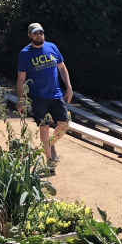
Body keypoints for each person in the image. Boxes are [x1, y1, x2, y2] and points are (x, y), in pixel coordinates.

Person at [16, 23, 73, 166]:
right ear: (29, 35)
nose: (38, 35)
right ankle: (49, 160)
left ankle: (49, 144)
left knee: (64, 124)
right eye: (35, 33)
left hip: (56, 94)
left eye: (41, 33)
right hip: (37, 96)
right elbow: (21, 78)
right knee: (44, 126)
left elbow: (62, 68)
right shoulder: (25, 53)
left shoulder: (52, 47)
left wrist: (69, 87)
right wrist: (20, 100)